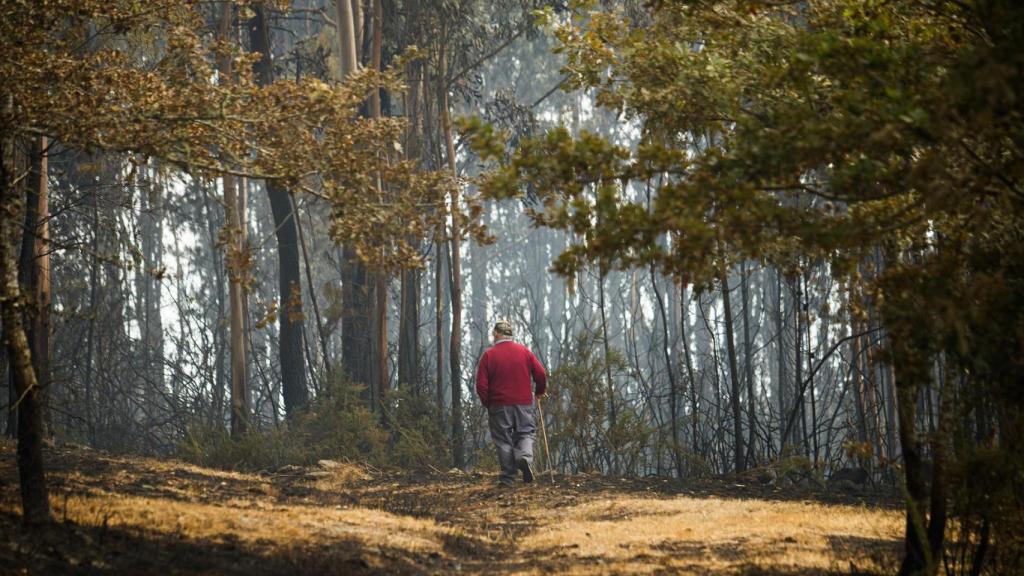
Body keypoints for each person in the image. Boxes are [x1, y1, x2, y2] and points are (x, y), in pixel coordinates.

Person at [475, 320, 547, 487]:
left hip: (499, 405)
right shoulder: (524, 352)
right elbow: (541, 373)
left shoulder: (488, 356)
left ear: (496, 334)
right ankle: (525, 458)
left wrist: (488, 403)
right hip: (523, 403)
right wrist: (540, 391)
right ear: (510, 334)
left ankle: (508, 478)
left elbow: (481, 386)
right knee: (526, 433)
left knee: (503, 439)